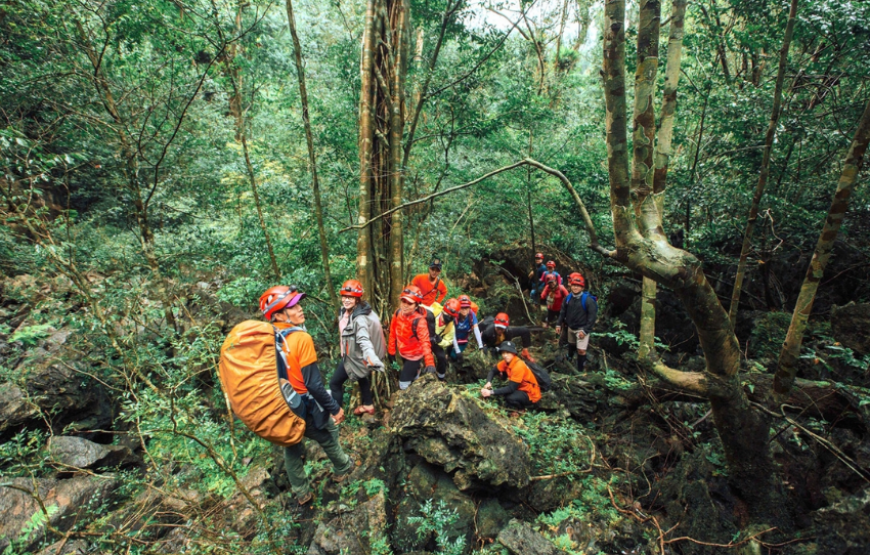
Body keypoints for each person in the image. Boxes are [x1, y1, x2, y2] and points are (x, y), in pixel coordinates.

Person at [258, 286, 353, 506]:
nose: (300, 309)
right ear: (279, 315)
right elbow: (313, 385)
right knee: (328, 434)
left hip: (278, 406)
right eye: (293, 306)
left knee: (291, 447)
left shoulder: (264, 339)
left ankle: (302, 494)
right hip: (302, 405)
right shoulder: (300, 338)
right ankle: (344, 467)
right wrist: (334, 409)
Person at [329, 280, 385, 417]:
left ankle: (337, 414)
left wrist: (370, 356)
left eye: (351, 297)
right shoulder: (344, 311)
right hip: (350, 354)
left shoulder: (360, 318)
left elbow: (363, 339)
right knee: (361, 377)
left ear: (357, 298)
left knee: (334, 383)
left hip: (355, 356)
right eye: (344, 296)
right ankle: (368, 404)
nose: (346, 300)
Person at [388, 284, 437, 389]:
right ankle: (416, 376)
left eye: (410, 303)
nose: (405, 305)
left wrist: (429, 362)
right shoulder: (397, 313)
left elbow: (425, 342)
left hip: (415, 356)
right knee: (413, 375)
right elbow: (392, 333)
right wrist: (391, 352)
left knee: (403, 383)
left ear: (416, 305)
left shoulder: (420, 321)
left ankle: (406, 398)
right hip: (402, 352)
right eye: (403, 301)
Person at [555, 272, 598, 372]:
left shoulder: (588, 301)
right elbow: (562, 312)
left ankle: (580, 369)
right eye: (574, 285)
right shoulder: (568, 298)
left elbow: (592, 317)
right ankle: (570, 357)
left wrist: (585, 331)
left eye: (578, 286)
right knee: (571, 344)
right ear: (571, 286)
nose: (575, 288)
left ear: (582, 288)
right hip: (570, 327)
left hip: (582, 329)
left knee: (581, 350)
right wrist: (558, 324)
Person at [480, 341, 541, 410]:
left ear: (513, 354)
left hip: (531, 394)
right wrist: (489, 381)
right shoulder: (506, 362)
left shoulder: (518, 366)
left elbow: (511, 388)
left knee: (509, 397)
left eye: (508, 352)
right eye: (503, 352)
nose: (505, 355)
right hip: (520, 388)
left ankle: (521, 409)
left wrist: (490, 392)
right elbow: (493, 371)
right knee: (505, 393)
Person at [432, 298, 461, 380]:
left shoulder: (451, 327)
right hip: (423, 335)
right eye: (447, 314)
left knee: (442, 358)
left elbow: (449, 341)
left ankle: (441, 377)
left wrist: (440, 341)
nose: (448, 317)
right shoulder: (434, 310)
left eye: (451, 316)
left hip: (436, 342)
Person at [451, 295, 484, 361]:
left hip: (463, 340)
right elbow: (452, 333)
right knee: (453, 356)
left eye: (466, 308)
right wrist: (457, 350)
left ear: (469, 308)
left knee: (457, 358)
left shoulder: (471, 315)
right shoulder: (454, 316)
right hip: (452, 339)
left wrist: (480, 345)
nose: (464, 310)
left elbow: (476, 329)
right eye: (462, 308)